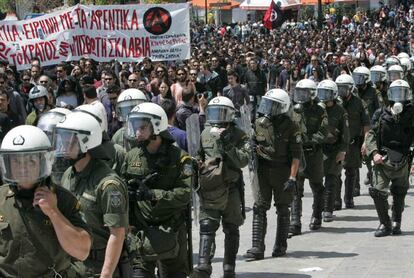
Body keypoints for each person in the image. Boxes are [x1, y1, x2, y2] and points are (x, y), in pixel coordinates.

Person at [0, 125, 91, 276]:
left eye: (31, 161)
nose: (23, 168)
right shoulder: (1, 198)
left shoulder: (63, 199)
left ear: (43, 162)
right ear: (7, 164)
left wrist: (53, 212)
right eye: (16, 161)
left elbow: (82, 251)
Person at [121, 102, 192, 277]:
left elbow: (185, 194)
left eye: (143, 127)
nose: (137, 132)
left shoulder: (180, 158)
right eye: (136, 126)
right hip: (140, 233)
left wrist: (153, 195)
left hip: (171, 229)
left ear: (157, 126)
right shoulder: (131, 156)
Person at [57, 112, 129, 277]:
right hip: (71, 264)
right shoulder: (68, 174)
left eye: (68, 140)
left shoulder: (108, 184)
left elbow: (117, 233)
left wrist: (106, 274)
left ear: (85, 142)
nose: (62, 145)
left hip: (96, 267)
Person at [192, 96, 249, 278]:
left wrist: (227, 142)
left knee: (231, 228)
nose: (218, 117)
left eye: (222, 112)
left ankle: (229, 267)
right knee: (207, 225)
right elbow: (198, 154)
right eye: (214, 112)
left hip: (231, 188)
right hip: (210, 189)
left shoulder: (239, 135)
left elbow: (242, 160)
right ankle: (203, 265)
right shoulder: (205, 133)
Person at [244, 89, 302, 260]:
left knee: (283, 209)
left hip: (283, 171)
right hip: (263, 171)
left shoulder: (292, 126)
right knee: (259, 207)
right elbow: (251, 142)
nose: (269, 108)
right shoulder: (260, 123)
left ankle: (280, 245)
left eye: (273, 105)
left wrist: (292, 177)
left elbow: (296, 155)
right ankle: (257, 247)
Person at [365, 79, 414, 237]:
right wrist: (374, 153)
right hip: (383, 159)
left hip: (404, 159)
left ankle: (396, 222)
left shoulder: (412, 114)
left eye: (402, 93)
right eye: (396, 93)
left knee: (399, 192)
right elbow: (371, 135)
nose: (399, 97)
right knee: (377, 191)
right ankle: (384, 223)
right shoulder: (381, 114)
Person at [289, 79, 328, 236]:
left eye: (304, 92)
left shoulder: (319, 111)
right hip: (298, 154)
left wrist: (310, 139)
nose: (301, 95)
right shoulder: (293, 111)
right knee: (296, 188)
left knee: (317, 186)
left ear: (312, 94)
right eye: (299, 92)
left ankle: (317, 215)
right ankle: (295, 221)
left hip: (313, 153)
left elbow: (324, 131)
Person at [317, 80, 350, 222]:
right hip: (318, 150)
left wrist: (343, 151)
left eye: (327, 93)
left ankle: (327, 210)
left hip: (334, 149)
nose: (324, 96)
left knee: (331, 180)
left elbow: (346, 133)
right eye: (322, 92)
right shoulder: (316, 109)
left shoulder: (340, 111)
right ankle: (317, 211)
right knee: (317, 182)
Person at [335, 74, 370, 208]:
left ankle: (349, 198)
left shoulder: (359, 103)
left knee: (351, 172)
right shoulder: (335, 102)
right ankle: (336, 200)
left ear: (350, 88)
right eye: (339, 88)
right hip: (337, 144)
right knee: (335, 173)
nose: (341, 91)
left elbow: (366, 124)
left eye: (343, 88)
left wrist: (365, 142)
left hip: (353, 143)